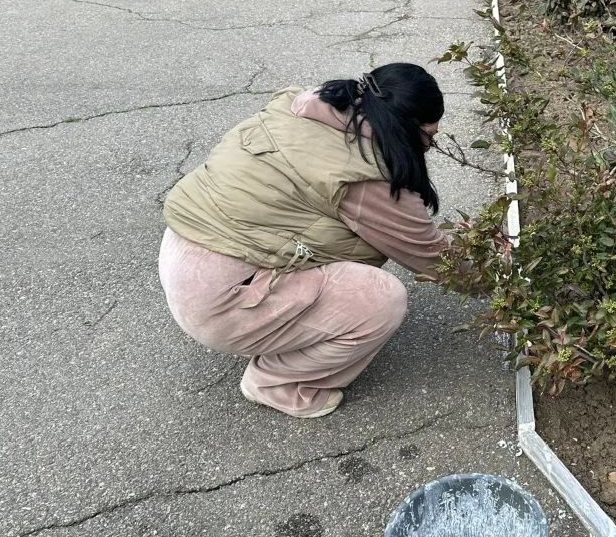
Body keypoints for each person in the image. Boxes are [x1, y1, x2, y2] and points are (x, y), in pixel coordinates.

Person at [159, 63, 450, 419]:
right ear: (405, 125)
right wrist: (507, 277)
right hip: (220, 299)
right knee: (381, 299)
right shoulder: (365, 178)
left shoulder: (312, 106)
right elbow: (436, 260)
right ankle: (276, 383)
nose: (431, 147)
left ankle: (281, 331)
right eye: (429, 137)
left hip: (186, 252)